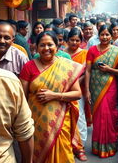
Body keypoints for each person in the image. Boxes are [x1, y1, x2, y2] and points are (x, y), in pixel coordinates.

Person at [19, 31, 83, 163]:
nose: (46, 48)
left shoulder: (66, 65)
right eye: (42, 45)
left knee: (63, 154)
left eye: (50, 44)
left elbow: (77, 94)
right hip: (36, 122)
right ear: (36, 47)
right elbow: (23, 98)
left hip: (60, 122)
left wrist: (54, 95)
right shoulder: (28, 67)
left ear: (57, 46)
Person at [0, 18, 34, 163]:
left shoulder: (20, 57)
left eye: (7, 37)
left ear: (13, 40)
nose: (2, 41)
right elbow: (25, 132)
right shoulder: (10, 80)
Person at [84, 25, 118, 158]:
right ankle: (98, 146)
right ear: (98, 36)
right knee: (98, 117)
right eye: (102, 34)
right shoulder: (92, 50)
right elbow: (88, 71)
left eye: (107, 35)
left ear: (112, 36)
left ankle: (110, 146)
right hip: (95, 88)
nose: (105, 37)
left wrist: (109, 70)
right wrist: (87, 90)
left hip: (110, 87)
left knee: (109, 115)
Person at [65, 28, 89, 161]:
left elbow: (85, 72)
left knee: (79, 116)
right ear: (67, 40)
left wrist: (73, 84)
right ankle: (69, 144)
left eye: (77, 40)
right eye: (72, 40)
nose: (74, 42)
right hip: (63, 90)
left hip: (78, 90)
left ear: (81, 41)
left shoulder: (84, 54)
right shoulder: (62, 54)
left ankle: (80, 146)